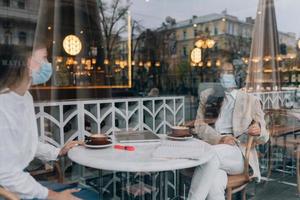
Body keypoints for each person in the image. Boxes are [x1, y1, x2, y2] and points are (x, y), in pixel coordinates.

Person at [0, 46, 94, 200]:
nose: (47, 64)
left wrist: (58, 152)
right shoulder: (3, 105)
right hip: (10, 189)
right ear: (29, 64)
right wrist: (52, 195)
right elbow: (6, 174)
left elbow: (26, 143)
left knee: (88, 193)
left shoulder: (25, 97)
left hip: (19, 183)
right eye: (43, 59)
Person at [187, 62, 269, 200]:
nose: (225, 75)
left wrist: (259, 130)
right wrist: (220, 139)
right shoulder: (207, 96)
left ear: (237, 75)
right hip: (215, 146)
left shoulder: (250, 100)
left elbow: (265, 136)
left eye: (229, 72)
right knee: (214, 186)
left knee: (210, 155)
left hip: (237, 153)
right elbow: (200, 126)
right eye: (222, 72)